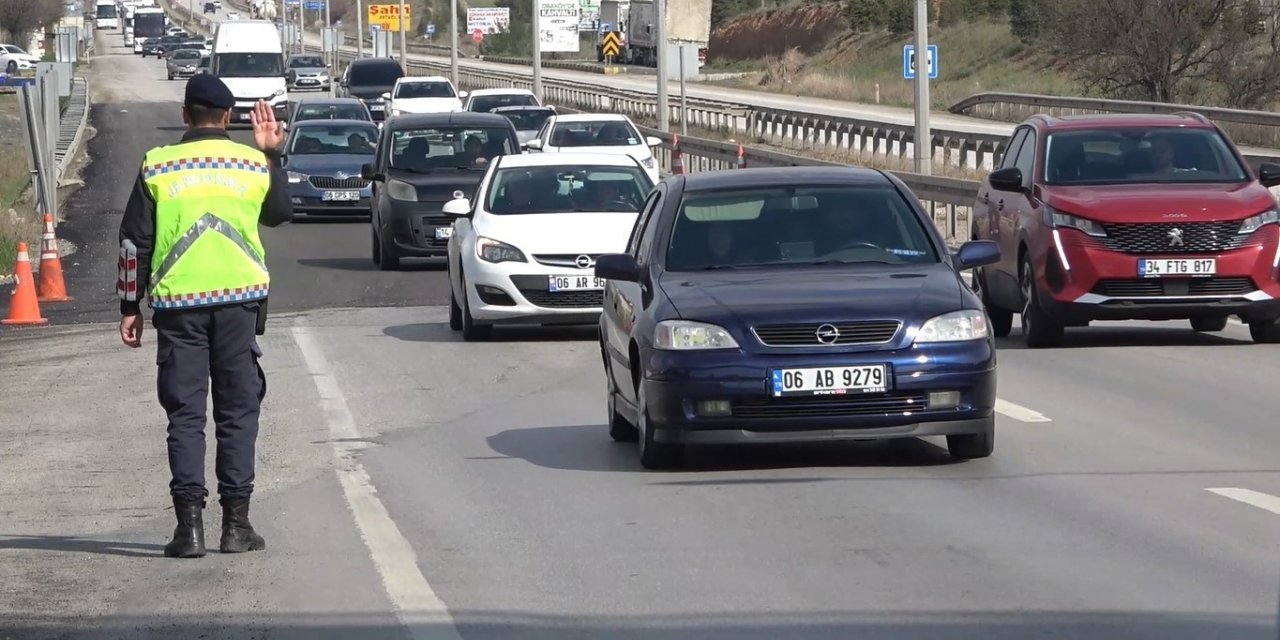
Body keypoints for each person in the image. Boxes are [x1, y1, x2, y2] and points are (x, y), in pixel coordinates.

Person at [116, 74, 293, 559]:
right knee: (238, 413)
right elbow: (280, 213)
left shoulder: (158, 166)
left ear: (184, 115)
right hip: (238, 307)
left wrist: (130, 307)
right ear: (229, 118)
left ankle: (188, 529)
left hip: (178, 309)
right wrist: (271, 153)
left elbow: (134, 244)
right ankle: (236, 527)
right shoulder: (251, 163)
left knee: (186, 415)